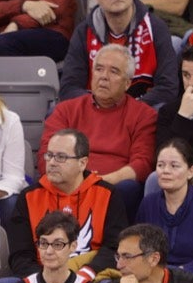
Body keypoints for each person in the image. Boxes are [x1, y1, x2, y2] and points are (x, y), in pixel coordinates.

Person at [39, 45, 158, 218]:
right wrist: (77, 183)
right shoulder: (66, 110)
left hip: (113, 189)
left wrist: (98, 183)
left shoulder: (144, 115)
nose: (104, 77)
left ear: (127, 83)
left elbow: (142, 164)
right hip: (67, 185)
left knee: (129, 188)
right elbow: (46, 155)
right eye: (99, 69)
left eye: (114, 71)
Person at [3, 128, 128, 281]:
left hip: (91, 278)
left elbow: (115, 247)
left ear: (82, 163)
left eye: (61, 157)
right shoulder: (29, 196)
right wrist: (44, 280)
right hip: (41, 277)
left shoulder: (107, 194)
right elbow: (20, 255)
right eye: (49, 155)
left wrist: (88, 273)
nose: (52, 162)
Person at [60, 0, 178, 111]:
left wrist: (127, 109)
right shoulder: (83, 32)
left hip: (140, 110)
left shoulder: (155, 27)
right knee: (56, 111)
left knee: (163, 110)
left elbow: (168, 87)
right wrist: (102, 106)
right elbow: (69, 88)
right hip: (95, 110)